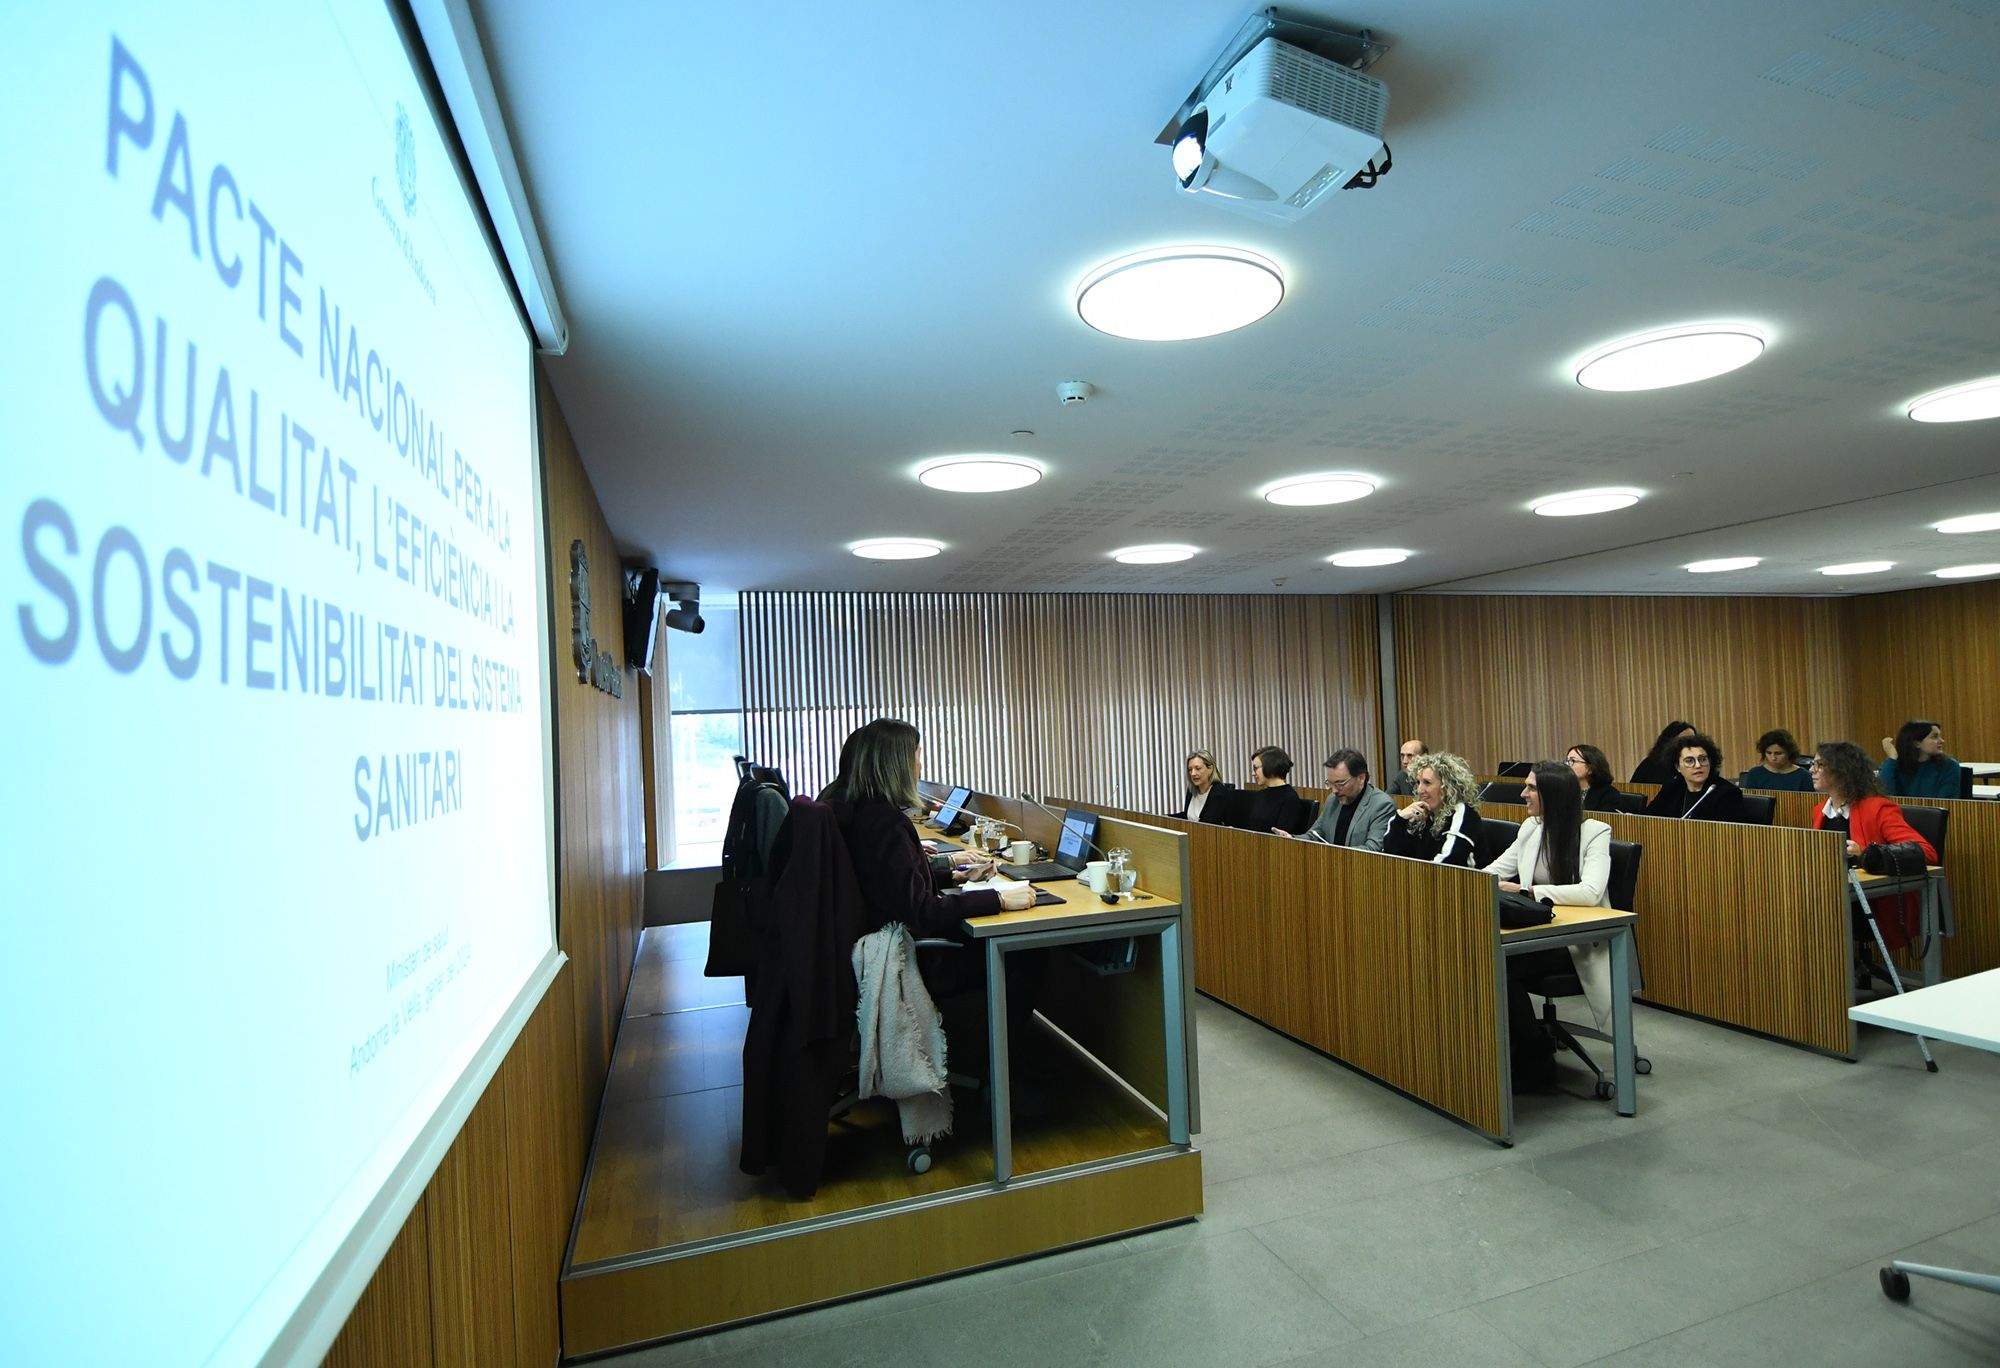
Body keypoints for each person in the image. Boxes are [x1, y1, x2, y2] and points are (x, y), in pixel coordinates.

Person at [829, 719, 1035, 1001]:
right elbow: (922, 910)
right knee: (1026, 953)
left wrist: (956, 876)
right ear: (898, 765)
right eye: (917, 756)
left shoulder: (864, 813)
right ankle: (990, 1042)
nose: (919, 766)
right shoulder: (885, 825)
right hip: (913, 956)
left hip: (881, 940)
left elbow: (893, 884)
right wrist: (997, 899)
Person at [1483, 762, 1615, 1087]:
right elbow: (1493, 872)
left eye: (1531, 788)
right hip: (1537, 934)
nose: (1522, 793)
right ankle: (1527, 1047)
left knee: (1501, 964)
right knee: (1488, 957)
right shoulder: (1530, 828)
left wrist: (1529, 891)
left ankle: (1534, 1057)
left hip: (1576, 943)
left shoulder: (1594, 832)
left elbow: (1591, 891)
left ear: (1552, 795)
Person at [1811, 740, 1937, 971]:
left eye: (1819, 765)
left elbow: (1925, 852)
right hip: (1831, 892)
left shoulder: (1877, 808)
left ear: (1841, 770)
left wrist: (1866, 854)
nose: (1811, 770)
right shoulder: (1820, 811)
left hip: (1871, 901)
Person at [1383, 751, 1483, 866]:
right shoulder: (1422, 814)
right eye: (1418, 783)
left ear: (1447, 787)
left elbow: (1448, 863)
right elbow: (1390, 854)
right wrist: (1400, 820)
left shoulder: (1464, 814)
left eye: (1427, 783)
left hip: (1467, 882)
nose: (1420, 790)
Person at [1290, 748, 1396, 850]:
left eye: (1340, 783)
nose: (1334, 790)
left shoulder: (1382, 805)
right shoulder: (1332, 800)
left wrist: (1339, 856)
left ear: (1361, 778)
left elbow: (1373, 850)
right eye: (1330, 783)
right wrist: (1292, 839)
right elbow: (1315, 835)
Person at [1643, 732, 1747, 822]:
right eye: (1689, 761)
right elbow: (1649, 818)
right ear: (1678, 767)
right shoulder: (1672, 788)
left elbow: (1729, 834)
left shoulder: (1728, 793)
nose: (1698, 765)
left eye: (1702, 759)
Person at [1229, 746, 1314, 835]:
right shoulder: (1261, 794)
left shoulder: (1290, 799)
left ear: (1270, 766)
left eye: (1256, 768)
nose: (1253, 773)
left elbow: (1281, 838)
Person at [1878, 720, 1963, 799]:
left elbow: (1946, 803)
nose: (1942, 741)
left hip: (1933, 814)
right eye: (1934, 737)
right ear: (1917, 743)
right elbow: (1885, 796)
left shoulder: (1949, 766)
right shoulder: (1896, 766)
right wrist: (1892, 758)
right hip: (1900, 814)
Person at [1175, 748, 1240, 825]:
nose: (1193, 773)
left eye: (1197, 768)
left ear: (1210, 768)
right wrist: (1163, 817)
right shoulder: (1191, 791)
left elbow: (1207, 824)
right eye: (1190, 769)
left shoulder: (1219, 793)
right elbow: (1187, 816)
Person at [1741, 729, 1813, 792]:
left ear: (1789, 752)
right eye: (1769, 753)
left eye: (1778, 753)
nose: (1773, 758)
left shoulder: (1804, 776)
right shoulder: (1755, 774)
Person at [1630, 720, 1697, 785]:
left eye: (1693, 740)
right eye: (1685, 740)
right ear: (1669, 742)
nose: (1690, 744)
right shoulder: (1652, 764)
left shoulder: (1698, 765)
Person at [1566, 744, 1621, 812]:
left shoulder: (1608, 795)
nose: (1567, 765)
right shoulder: (1564, 790)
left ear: (1590, 768)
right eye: (1567, 761)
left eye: (1572, 761)